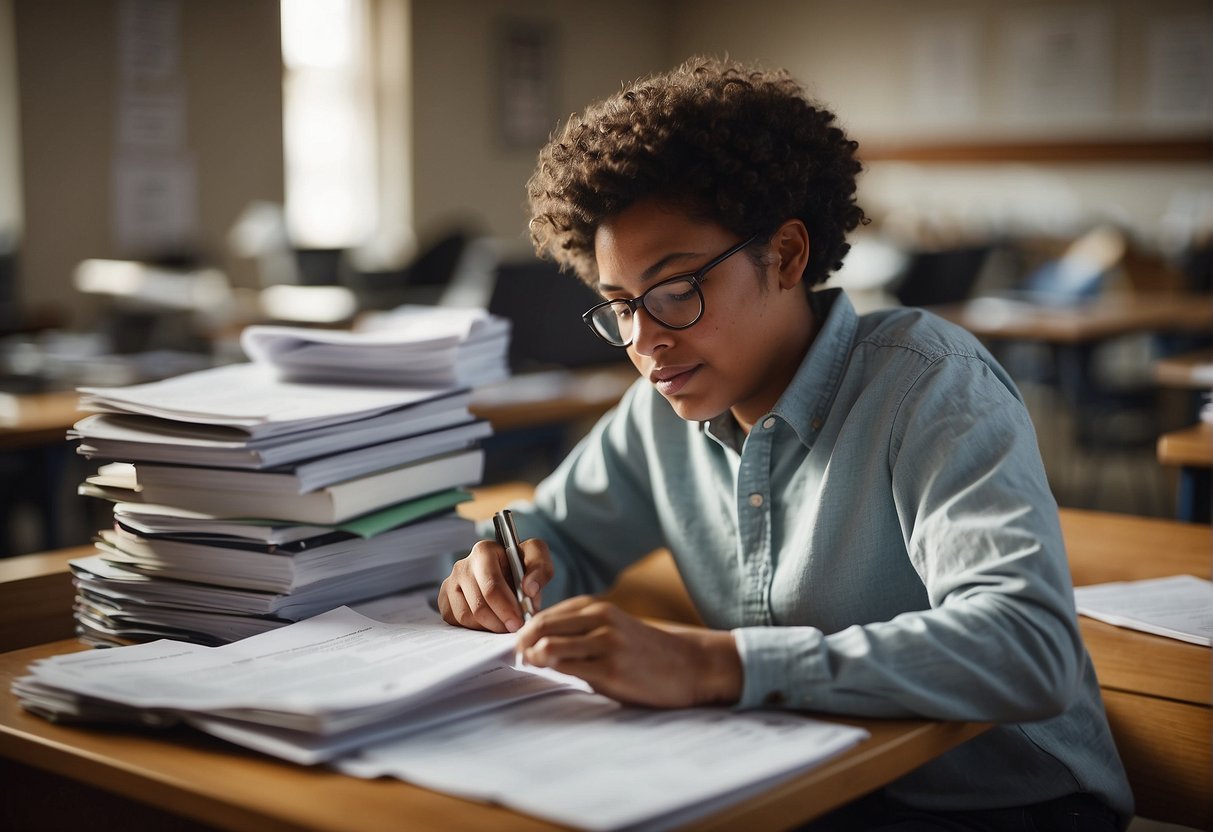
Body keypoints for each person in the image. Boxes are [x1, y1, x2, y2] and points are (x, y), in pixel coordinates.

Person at [437, 56, 1132, 831]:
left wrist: (711, 664)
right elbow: (555, 536)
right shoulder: (656, 415)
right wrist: (497, 567)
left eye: (676, 293)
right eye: (619, 306)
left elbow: (1025, 647)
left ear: (787, 255)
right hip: (810, 785)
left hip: (1007, 803)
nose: (645, 341)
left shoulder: (928, 384)